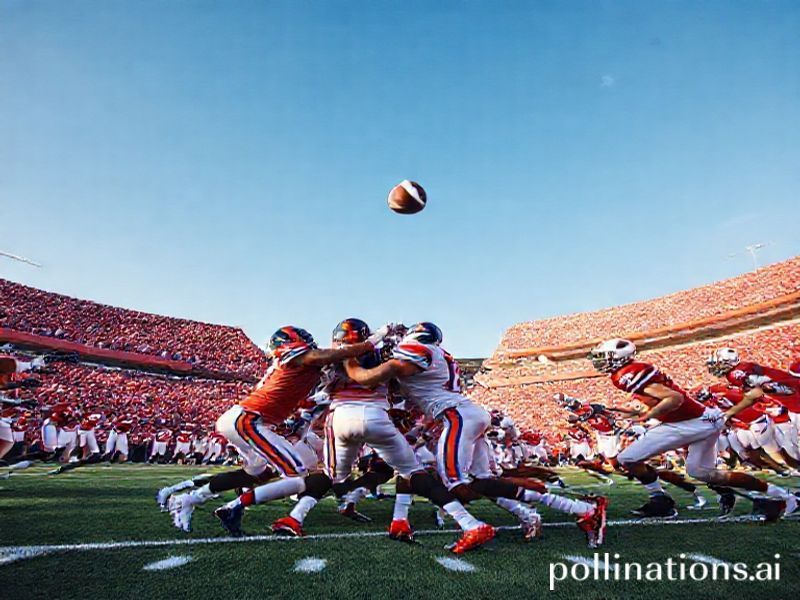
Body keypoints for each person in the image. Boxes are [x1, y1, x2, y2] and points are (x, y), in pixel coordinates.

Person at [590, 338, 796, 518]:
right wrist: (631, 412)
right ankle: (783, 496)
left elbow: (674, 398)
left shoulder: (625, 374)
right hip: (704, 420)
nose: (599, 361)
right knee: (701, 472)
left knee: (628, 458)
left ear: (618, 357)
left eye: (603, 357)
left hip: (690, 423)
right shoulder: (633, 371)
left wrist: (648, 416)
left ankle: (660, 500)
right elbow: (658, 400)